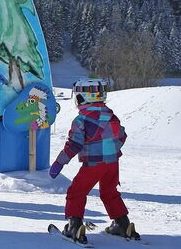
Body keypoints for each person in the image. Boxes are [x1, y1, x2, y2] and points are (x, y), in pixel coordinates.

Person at [49, 79, 140, 244]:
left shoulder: (81, 120)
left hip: (94, 164)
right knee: (109, 192)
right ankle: (122, 224)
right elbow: (122, 136)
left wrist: (59, 162)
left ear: (82, 98)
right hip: (112, 163)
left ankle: (74, 227)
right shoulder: (111, 116)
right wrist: (110, 150)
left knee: (76, 192)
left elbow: (74, 145)